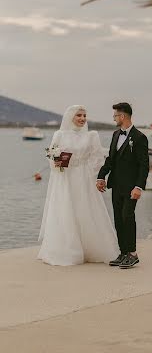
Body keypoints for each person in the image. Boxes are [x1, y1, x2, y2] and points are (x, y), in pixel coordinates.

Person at [38, 105, 119, 266]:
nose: (82, 118)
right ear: (71, 117)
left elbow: (97, 158)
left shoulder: (91, 135)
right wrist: (59, 162)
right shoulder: (59, 134)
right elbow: (51, 157)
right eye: (79, 115)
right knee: (65, 210)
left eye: (84, 116)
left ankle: (90, 247)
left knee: (85, 209)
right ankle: (67, 250)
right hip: (65, 178)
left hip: (84, 178)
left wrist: (88, 171)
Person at [96, 102, 149, 269]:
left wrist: (139, 187)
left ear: (123, 116)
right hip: (116, 185)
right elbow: (110, 159)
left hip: (131, 187)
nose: (114, 118)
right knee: (118, 219)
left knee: (128, 216)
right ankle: (123, 252)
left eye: (115, 116)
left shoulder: (140, 137)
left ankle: (132, 254)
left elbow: (144, 165)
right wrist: (101, 176)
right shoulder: (115, 134)